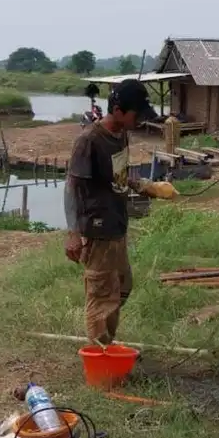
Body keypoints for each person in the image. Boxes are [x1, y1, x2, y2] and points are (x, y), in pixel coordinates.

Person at [64, 79, 160, 345]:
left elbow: (118, 175)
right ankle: (101, 357)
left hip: (117, 225)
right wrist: (73, 233)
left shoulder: (121, 135)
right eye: (135, 114)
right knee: (103, 296)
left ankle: (106, 345)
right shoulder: (89, 141)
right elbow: (72, 188)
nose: (140, 119)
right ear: (117, 110)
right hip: (97, 229)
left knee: (122, 287)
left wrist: (144, 185)